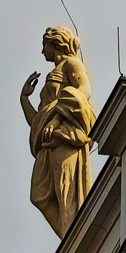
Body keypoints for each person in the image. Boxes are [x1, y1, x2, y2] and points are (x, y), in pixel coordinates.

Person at [20, 27, 94, 238]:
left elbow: (83, 92)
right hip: (47, 139)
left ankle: (73, 241)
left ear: (55, 43)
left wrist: (56, 120)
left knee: (65, 190)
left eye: (44, 45)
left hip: (64, 135)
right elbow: (38, 121)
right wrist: (24, 99)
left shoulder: (72, 64)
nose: (42, 51)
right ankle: (68, 238)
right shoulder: (52, 75)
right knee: (39, 195)